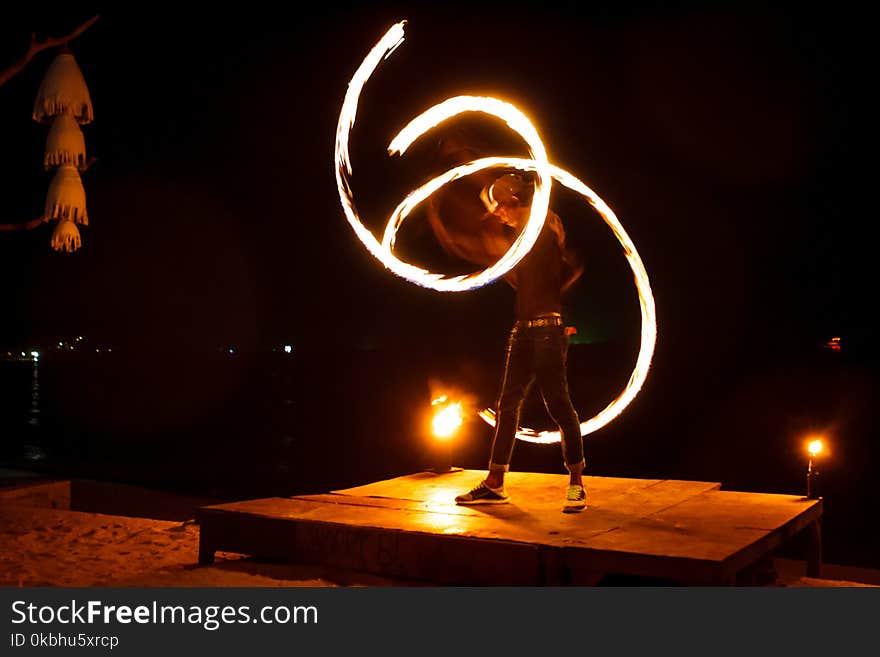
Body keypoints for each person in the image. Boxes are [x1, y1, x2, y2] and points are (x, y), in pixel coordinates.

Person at [426, 170, 587, 512]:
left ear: (516, 202)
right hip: (523, 330)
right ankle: (495, 482)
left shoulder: (543, 229)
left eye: (500, 207)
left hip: (547, 332)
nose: (497, 213)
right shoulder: (521, 241)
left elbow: (545, 235)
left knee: (558, 405)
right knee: (506, 406)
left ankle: (576, 484)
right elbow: (500, 259)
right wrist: (452, 235)